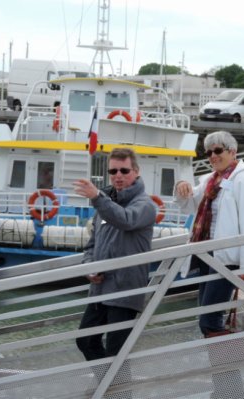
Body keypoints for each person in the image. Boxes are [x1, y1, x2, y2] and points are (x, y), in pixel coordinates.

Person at [175, 130, 244, 398]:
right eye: (209, 152)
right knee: (210, 320)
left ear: (232, 152)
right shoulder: (211, 179)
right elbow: (190, 204)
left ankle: (230, 388)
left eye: (218, 151)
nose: (213, 156)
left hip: (226, 262)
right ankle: (227, 387)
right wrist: (182, 186)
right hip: (206, 259)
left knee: (210, 321)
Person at [73, 148, 156, 361]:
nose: (118, 175)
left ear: (136, 172)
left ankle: (115, 391)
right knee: (85, 340)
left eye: (124, 170)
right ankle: (110, 389)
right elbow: (92, 244)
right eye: (113, 171)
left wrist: (97, 197)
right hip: (100, 288)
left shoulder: (144, 205)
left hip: (125, 290)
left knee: (116, 351)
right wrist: (89, 266)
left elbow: (125, 219)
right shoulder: (104, 203)